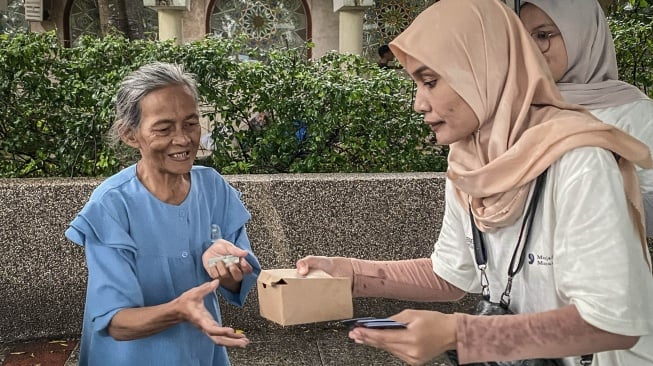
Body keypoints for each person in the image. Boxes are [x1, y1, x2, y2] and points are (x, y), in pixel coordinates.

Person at [296, 0, 653, 365]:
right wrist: (352, 274)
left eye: (430, 81)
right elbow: (451, 275)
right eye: (416, 84)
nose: (418, 103)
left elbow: (613, 321)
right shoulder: (469, 163)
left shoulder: (577, 160)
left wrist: (462, 334)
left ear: (484, 70)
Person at [65, 62, 261, 366]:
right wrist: (179, 310)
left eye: (191, 123)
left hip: (200, 353)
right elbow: (114, 321)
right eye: (164, 128)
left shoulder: (213, 189)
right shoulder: (112, 205)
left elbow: (241, 282)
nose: (183, 139)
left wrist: (230, 267)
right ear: (131, 135)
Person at [519, 0, 653, 236]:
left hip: (602, 262)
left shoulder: (636, 113)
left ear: (582, 36)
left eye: (542, 35)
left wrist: (595, 184)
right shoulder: (520, 109)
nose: (531, 48)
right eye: (522, 37)